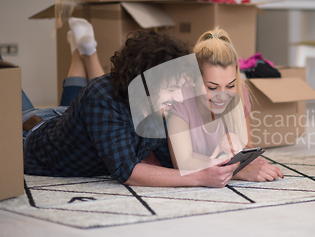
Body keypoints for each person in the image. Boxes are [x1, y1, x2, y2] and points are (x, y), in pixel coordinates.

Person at [22, 18, 239, 188]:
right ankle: (83, 53)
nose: (181, 98)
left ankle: (80, 53)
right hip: (28, 132)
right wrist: (200, 178)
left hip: (68, 120)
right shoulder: (102, 96)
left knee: (74, 114)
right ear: (147, 84)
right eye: (173, 89)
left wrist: (226, 166)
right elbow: (127, 172)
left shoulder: (160, 105)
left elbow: (172, 163)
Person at [167, 27, 283, 181]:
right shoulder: (179, 100)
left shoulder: (240, 92)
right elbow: (182, 162)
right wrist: (238, 170)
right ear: (193, 80)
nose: (222, 96)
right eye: (212, 87)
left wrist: (242, 151)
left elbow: (247, 148)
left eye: (230, 86)